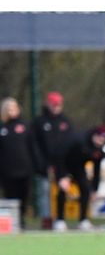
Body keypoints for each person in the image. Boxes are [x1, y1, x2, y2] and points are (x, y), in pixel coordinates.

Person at [51, 125, 105, 232]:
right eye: (99, 137)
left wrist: (94, 189)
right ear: (94, 135)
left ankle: (83, 220)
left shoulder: (99, 150)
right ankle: (59, 220)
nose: (100, 140)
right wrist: (62, 176)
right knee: (63, 189)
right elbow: (59, 156)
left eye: (103, 138)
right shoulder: (79, 140)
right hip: (64, 165)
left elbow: (97, 170)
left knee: (85, 189)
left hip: (79, 168)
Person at [30, 91, 74, 230]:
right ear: (47, 104)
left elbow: (70, 143)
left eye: (58, 104)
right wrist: (42, 164)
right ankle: (47, 218)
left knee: (62, 190)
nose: (56, 107)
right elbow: (35, 145)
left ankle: (60, 218)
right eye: (54, 104)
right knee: (45, 191)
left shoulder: (65, 122)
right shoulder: (39, 122)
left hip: (62, 164)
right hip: (45, 164)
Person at [0, 97, 34, 228]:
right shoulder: (2, 128)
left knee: (24, 196)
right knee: (10, 197)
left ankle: (22, 220)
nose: (11, 111)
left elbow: (32, 146)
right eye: (8, 109)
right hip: (7, 170)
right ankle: (13, 223)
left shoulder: (25, 126)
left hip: (24, 169)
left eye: (13, 108)